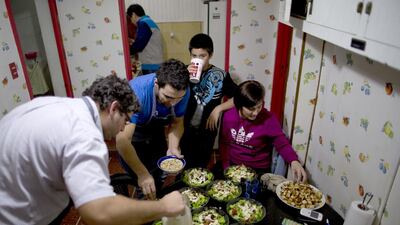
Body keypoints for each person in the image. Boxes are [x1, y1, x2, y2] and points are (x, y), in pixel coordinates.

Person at [0, 75, 186, 225]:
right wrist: (163, 207)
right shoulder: (85, 135)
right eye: (126, 120)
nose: (122, 129)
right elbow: (99, 212)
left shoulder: (57, 104)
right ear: (114, 109)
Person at [116, 59, 190, 200]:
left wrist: (173, 147)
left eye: (178, 99)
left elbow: (177, 123)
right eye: (168, 97)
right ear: (157, 83)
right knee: (141, 182)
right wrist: (142, 174)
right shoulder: (136, 92)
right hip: (134, 134)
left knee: (157, 174)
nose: (173, 103)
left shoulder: (183, 91)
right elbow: (122, 140)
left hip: (155, 130)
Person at [220, 80, 307, 182]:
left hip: (258, 169)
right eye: (251, 109)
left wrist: (293, 161)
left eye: (259, 106)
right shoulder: (228, 116)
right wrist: (226, 166)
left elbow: (282, 143)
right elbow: (224, 143)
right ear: (239, 105)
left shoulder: (269, 119)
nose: (256, 113)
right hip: (233, 165)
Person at [180, 33, 238, 169]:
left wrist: (218, 109)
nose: (198, 59)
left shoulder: (221, 75)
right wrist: (183, 76)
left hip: (207, 128)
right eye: (194, 56)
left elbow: (239, 97)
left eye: (202, 56)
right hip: (185, 126)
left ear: (210, 55)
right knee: (185, 163)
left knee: (202, 163)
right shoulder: (183, 71)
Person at [127, 3, 163, 75]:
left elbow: (139, 45)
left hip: (151, 65)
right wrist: (133, 41)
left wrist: (126, 51)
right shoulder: (149, 22)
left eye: (130, 18)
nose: (131, 21)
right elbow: (146, 42)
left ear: (133, 15)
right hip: (155, 64)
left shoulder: (143, 23)